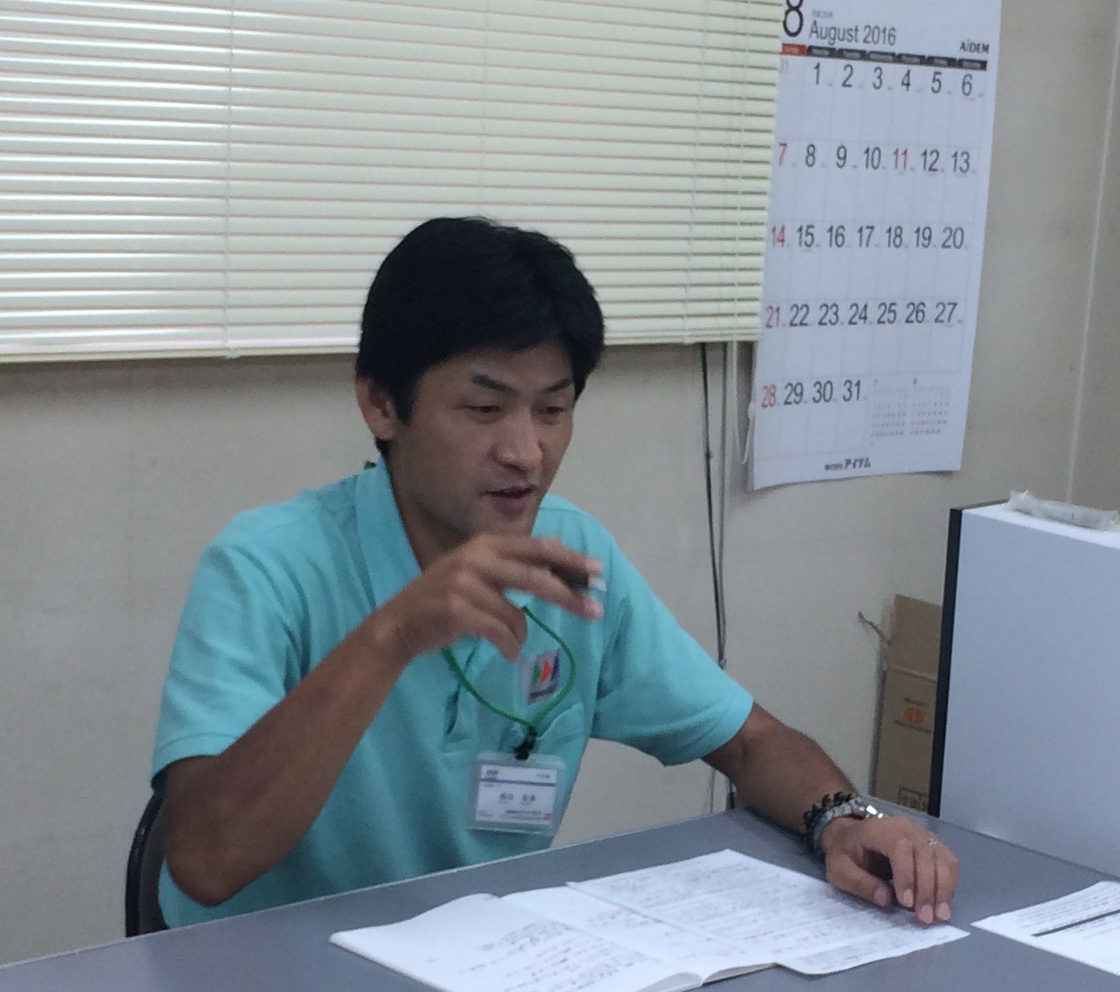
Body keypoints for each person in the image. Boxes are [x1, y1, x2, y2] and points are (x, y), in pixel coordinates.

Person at [151, 217, 956, 926]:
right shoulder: (266, 566)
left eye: (552, 409)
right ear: (381, 403)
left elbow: (750, 743)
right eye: (484, 408)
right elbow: (204, 861)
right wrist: (392, 635)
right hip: (270, 988)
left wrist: (844, 820)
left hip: (477, 975)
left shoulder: (569, 555)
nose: (525, 452)